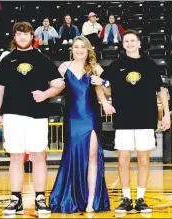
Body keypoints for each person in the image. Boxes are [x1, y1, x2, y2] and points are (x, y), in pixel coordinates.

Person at [92, 29, 171, 213]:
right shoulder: (116, 64)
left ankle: (141, 199)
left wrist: (166, 114)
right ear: (123, 44)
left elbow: (160, 90)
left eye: (132, 40)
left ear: (139, 43)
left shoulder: (150, 64)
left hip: (145, 119)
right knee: (123, 160)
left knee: (144, 160)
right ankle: (127, 199)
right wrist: (104, 102)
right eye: (126, 41)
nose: (129, 43)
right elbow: (100, 84)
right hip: (123, 120)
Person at [0, 21, 65, 215]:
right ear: (14, 37)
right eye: (19, 34)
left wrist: (46, 94)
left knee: (39, 156)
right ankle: (15, 198)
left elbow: (59, 83)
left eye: (26, 34)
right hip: (12, 115)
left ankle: (40, 197)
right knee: (15, 157)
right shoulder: (6, 60)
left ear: (33, 36)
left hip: (37, 115)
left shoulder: (42, 59)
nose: (22, 37)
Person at [49, 35, 113, 213]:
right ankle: (73, 196)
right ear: (72, 49)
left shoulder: (94, 67)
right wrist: (48, 87)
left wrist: (106, 100)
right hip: (72, 117)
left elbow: (105, 89)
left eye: (82, 47)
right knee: (73, 156)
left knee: (92, 156)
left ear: (88, 49)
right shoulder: (64, 67)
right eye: (76, 47)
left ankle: (91, 200)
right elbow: (55, 87)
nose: (79, 50)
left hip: (91, 117)